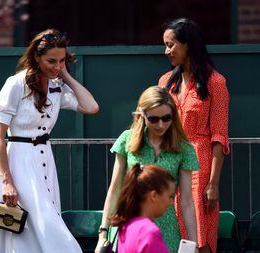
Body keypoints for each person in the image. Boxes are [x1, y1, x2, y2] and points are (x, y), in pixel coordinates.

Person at [0, 29, 99, 253]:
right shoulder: (16, 84)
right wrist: (7, 180)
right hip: (19, 162)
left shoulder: (57, 85)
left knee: (42, 224)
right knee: (36, 227)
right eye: (51, 61)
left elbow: (91, 107)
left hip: (45, 159)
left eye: (62, 60)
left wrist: (65, 76)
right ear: (37, 57)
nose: (57, 66)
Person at [95, 86, 199, 253]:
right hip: (129, 227)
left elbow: (186, 201)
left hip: (166, 229)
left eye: (166, 118)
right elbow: (115, 190)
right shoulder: (127, 140)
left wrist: (194, 244)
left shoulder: (184, 148)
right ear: (142, 115)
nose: (161, 124)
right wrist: (103, 234)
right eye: (153, 119)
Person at [158, 18, 229, 253]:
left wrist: (214, 184)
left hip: (200, 166)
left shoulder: (215, 82)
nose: (166, 51)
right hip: (169, 164)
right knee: (171, 233)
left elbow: (219, 136)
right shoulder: (165, 83)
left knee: (200, 237)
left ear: (188, 44)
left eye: (171, 45)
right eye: (165, 45)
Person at [110, 164, 175, 253]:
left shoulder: (125, 226)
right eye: (170, 196)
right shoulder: (149, 231)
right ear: (154, 196)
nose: (171, 203)